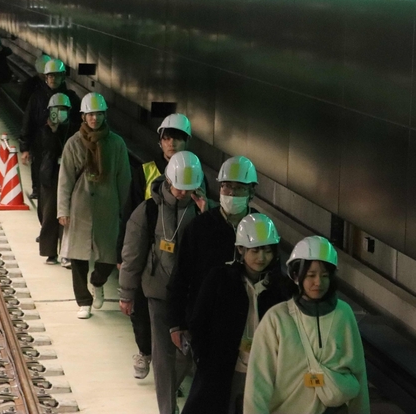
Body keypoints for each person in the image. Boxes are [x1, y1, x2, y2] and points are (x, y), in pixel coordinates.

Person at [119, 113, 207, 381]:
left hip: (183, 265)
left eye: (177, 138)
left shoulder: (198, 179)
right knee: (145, 315)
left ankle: (170, 374)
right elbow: (130, 214)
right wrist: (121, 258)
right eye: (167, 138)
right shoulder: (147, 171)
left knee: (178, 320)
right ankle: (146, 353)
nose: (171, 143)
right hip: (151, 255)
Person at [244, 236, 370, 414]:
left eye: (325, 275)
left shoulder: (343, 313)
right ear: (296, 275)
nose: (318, 282)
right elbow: (259, 382)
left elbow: (359, 372)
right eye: (311, 275)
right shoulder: (277, 319)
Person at [182, 214, 292, 414]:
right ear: (241, 249)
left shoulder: (281, 288)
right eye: (255, 250)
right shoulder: (219, 279)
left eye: (267, 250)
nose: (261, 257)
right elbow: (199, 322)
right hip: (222, 369)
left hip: (265, 371)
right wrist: (203, 358)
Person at [167, 156, 257, 354]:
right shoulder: (200, 226)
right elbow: (181, 276)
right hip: (205, 321)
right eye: (227, 187)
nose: (232, 193)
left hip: (249, 323)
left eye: (239, 188)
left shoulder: (260, 227)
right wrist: (176, 323)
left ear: (252, 191)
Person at [57, 92, 130, 319]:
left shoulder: (116, 143)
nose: (94, 119)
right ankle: (83, 301)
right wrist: (63, 210)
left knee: (108, 256)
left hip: (108, 206)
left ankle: (97, 282)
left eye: (98, 114)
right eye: (90, 115)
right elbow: (65, 178)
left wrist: (124, 209)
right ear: (83, 116)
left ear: (104, 115)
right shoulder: (73, 143)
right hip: (80, 206)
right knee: (78, 256)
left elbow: (124, 177)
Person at [21, 59, 80, 204]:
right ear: (45, 77)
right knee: (40, 170)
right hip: (40, 143)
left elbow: (79, 122)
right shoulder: (37, 97)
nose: (53, 79)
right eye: (50, 76)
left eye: (56, 76)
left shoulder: (71, 98)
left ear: (62, 77)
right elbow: (28, 121)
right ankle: (38, 191)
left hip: (64, 144)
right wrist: (25, 147)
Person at [38, 93, 77, 264]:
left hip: (69, 174)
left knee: (67, 213)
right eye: (56, 110)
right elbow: (46, 149)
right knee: (49, 213)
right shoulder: (45, 129)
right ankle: (49, 251)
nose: (59, 113)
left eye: (63, 110)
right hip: (51, 174)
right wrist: (52, 131)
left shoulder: (74, 129)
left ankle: (66, 251)